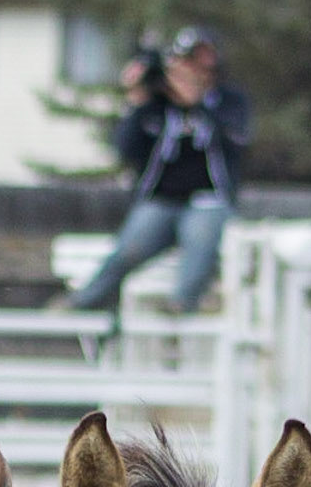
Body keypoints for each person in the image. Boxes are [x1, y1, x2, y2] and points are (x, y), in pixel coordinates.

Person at [68, 26, 251, 317]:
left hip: (209, 200)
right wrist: (136, 100)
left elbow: (237, 140)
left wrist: (198, 103)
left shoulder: (228, 101)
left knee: (201, 239)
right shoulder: (156, 105)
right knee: (130, 248)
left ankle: (181, 304)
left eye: (201, 63)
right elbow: (124, 149)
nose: (192, 71)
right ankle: (83, 302)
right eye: (186, 63)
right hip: (161, 200)